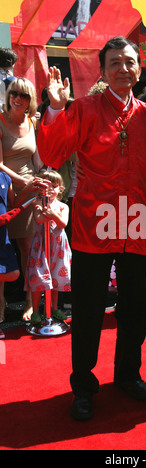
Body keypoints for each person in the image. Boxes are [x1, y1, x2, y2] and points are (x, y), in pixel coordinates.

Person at [37, 36, 146, 421]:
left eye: (129, 62)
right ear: (103, 71)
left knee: (136, 308)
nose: (123, 69)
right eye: (115, 63)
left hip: (136, 224)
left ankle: (127, 373)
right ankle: (84, 385)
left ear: (139, 69)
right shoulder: (84, 108)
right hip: (94, 223)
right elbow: (52, 154)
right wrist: (57, 110)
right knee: (89, 309)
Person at [0, 77, 44, 321]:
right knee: (2, 247)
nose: (18, 98)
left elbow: (36, 159)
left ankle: (30, 301)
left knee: (28, 248)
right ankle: (1, 302)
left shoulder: (31, 121)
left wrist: (42, 180)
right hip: (5, 192)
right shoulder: (0, 120)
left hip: (29, 193)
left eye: (24, 95)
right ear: (8, 95)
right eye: (14, 93)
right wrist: (22, 182)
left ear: (30, 100)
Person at [0, 170, 47, 338]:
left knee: (12, 273)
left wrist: (27, 189)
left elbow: (14, 202)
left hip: (2, 235)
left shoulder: (4, 177)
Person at [25, 170, 71, 325]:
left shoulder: (63, 206)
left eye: (54, 185)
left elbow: (63, 223)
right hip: (41, 247)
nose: (51, 189)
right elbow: (38, 219)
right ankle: (36, 311)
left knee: (56, 277)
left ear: (60, 189)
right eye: (47, 185)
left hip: (58, 246)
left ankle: (54, 307)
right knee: (39, 277)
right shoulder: (37, 203)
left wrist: (52, 215)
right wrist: (49, 214)